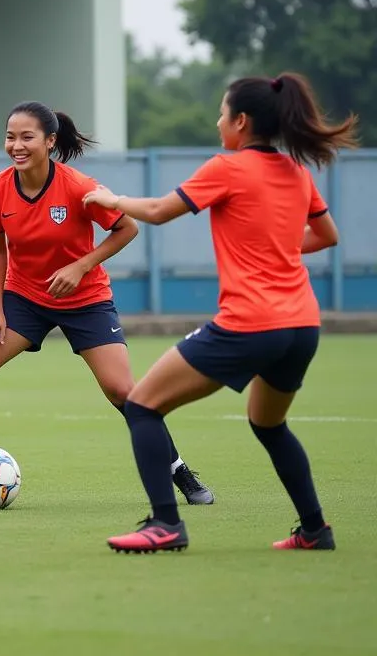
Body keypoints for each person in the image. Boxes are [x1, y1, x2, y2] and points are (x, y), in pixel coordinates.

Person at [82, 73, 357, 554]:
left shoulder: (228, 167)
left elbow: (161, 210)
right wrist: (276, 249)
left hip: (251, 323)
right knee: (268, 423)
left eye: (221, 113)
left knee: (142, 404)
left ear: (241, 121)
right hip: (302, 325)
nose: (217, 122)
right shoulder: (297, 173)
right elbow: (328, 235)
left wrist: (112, 200)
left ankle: (165, 524)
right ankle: (315, 529)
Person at [0, 102, 213, 506]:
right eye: (9, 137)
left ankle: (179, 472)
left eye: (26, 137)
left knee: (123, 391)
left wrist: (82, 265)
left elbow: (128, 228)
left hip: (86, 300)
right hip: (24, 298)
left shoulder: (77, 186)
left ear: (50, 141)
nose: (16, 146)